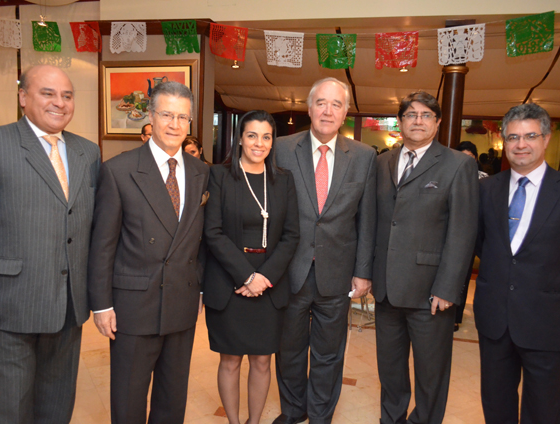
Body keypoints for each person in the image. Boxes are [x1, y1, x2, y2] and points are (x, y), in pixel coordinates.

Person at [0, 65, 100, 423]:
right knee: (7, 409)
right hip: (8, 308)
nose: (59, 103)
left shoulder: (88, 152)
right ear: (23, 97)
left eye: (67, 95)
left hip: (68, 308)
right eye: (48, 93)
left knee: (56, 407)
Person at [87, 81, 210, 424]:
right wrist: (102, 305)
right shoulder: (119, 170)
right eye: (167, 115)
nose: (175, 124)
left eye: (182, 117)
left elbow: (202, 239)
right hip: (133, 306)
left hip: (181, 301)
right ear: (151, 117)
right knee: (129, 399)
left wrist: (199, 287)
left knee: (173, 398)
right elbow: (103, 244)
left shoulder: (201, 172)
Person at [474, 103, 560, 424]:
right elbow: (483, 244)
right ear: (504, 141)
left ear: (546, 138)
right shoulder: (485, 189)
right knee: (496, 405)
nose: (520, 144)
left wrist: (553, 286)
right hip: (495, 319)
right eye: (513, 137)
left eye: (530, 136)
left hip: (547, 321)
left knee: (544, 410)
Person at [273, 77, 377, 424]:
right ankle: (293, 410)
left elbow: (367, 218)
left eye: (336, 104)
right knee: (289, 349)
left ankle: (320, 415)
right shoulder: (282, 148)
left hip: (338, 271)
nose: (328, 111)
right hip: (290, 270)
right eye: (321, 103)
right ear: (309, 108)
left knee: (329, 353)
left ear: (345, 113)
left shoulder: (363, 156)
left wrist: (363, 271)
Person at [372, 91, 479, 424]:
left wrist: (448, 288)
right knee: (390, 368)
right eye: (410, 115)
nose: (417, 121)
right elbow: (376, 221)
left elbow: (463, 232)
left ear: (438, 121)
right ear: (400, 121)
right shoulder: (383, 162)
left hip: (430, 291)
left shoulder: (458, 164)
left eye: (426, 115)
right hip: (386, 287)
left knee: (430, 373)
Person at [203, 110, 300, 424]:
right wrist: (246, 276)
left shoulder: (284, 180)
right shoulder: (219, 175)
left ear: (273, 142)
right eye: (252, 135)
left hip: (270, 285)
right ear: (240, 139)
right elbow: (212, 232)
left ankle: (254, 421)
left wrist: (264, 277)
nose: (260, 143)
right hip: (229, 283)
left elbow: (291, 235)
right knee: (230, 361)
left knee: (262, 361)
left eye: (266, 137)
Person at [453, 140, 488, 331]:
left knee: (463, 275)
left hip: (471, 233)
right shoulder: (448, 173)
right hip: (449, 231)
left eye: (470, 157)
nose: (466, 160)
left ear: (475, 159)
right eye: (462, 156)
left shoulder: (483, 179)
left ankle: (455, 316)